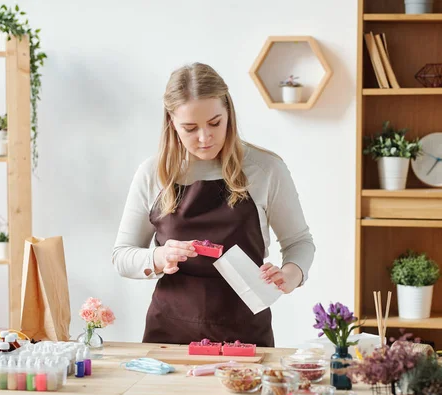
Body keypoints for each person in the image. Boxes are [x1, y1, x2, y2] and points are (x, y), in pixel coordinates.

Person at [111, 62, 315, 347]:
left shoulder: (265, 169)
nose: (205, 138)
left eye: (215, 123)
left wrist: (291, 275)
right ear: (171, 121)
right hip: (169, 335)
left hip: (245, 333)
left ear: (228, 112)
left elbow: (300, 241)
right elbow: (122, 256)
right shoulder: (152, 173)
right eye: (190, 128)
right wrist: (158, 258)